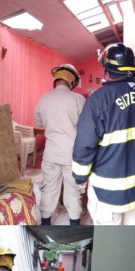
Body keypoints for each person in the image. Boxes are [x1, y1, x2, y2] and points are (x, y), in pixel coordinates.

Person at [72, 43, 135, 225]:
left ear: (106, 68)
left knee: (111, 237)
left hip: (108, 190)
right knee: (134, 235)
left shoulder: (98, 100)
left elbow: (85, 143)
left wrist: (80, 177)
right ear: (132, 69)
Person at [35, 64, 86, 226]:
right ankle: (74, 224)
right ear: (73, 82)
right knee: (73, 191)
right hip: (72, 156)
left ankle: (45, 222)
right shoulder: (78, 100)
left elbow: (39, 122)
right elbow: (85, 127)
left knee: (48, 190)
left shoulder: (44, 99)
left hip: (51, 154)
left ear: (56, 80)